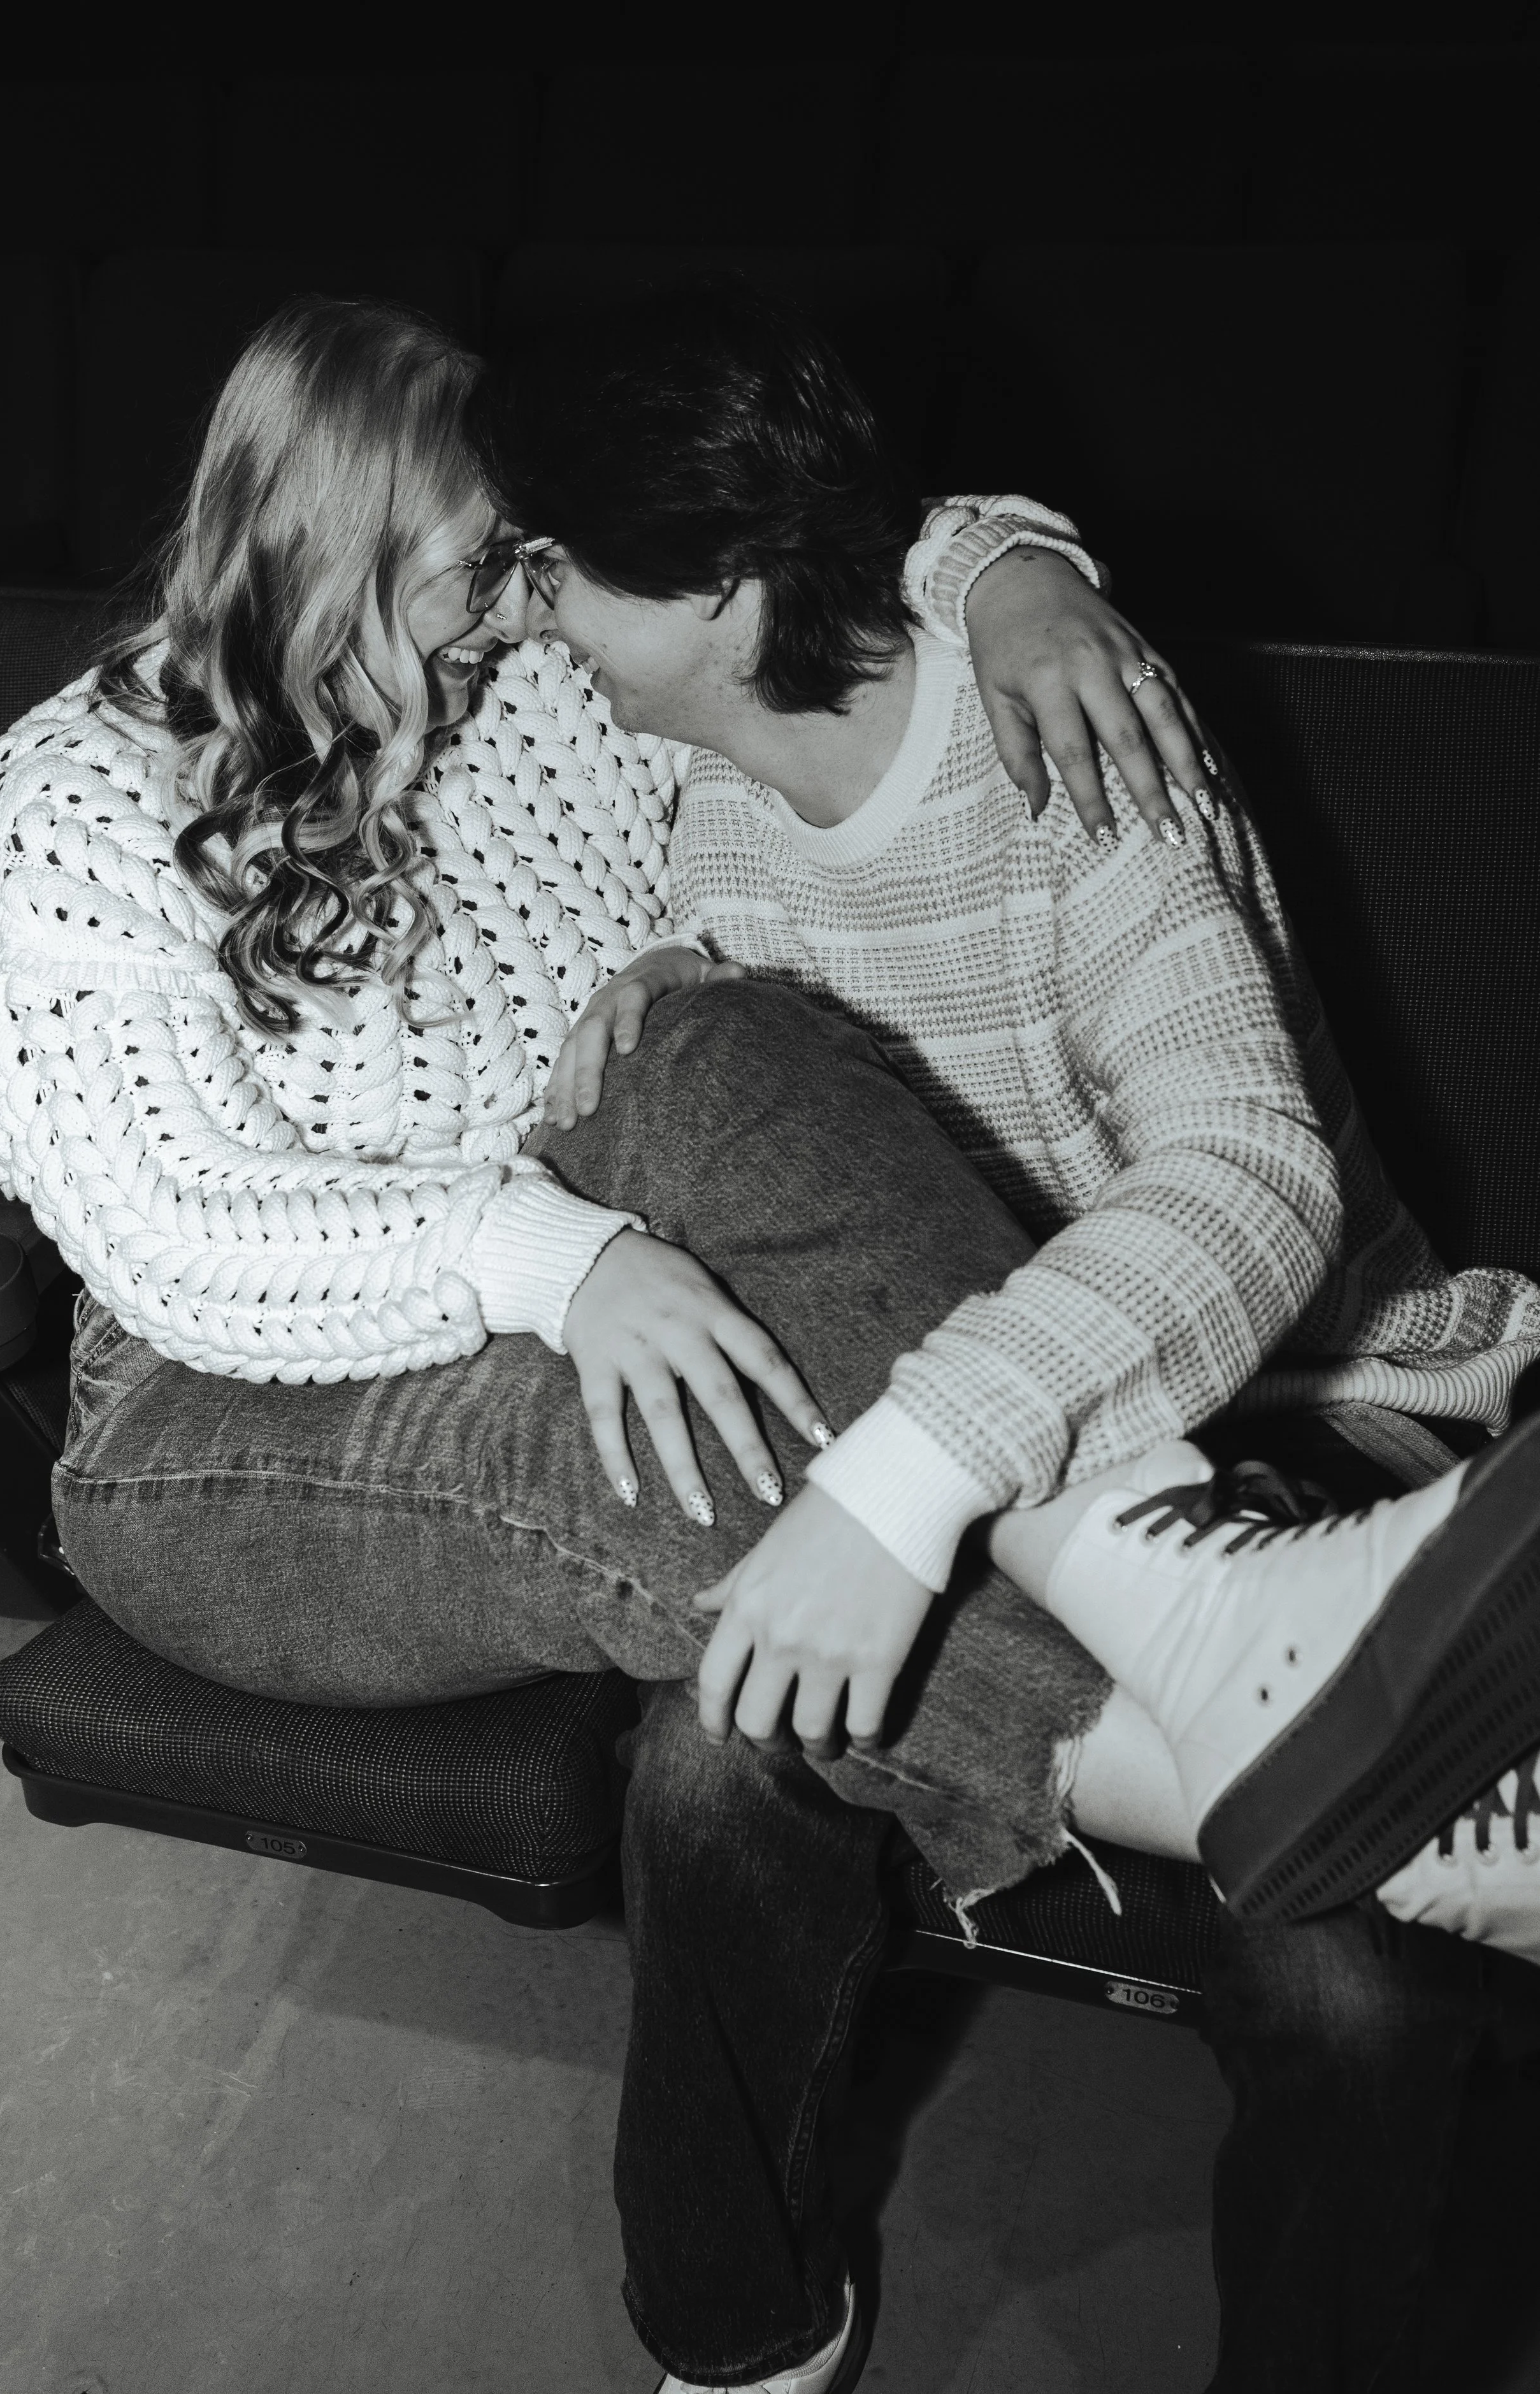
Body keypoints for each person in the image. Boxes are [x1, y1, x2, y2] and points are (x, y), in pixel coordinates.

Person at [464, 282, 1540, 2391]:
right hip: (960, 1422)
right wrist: (664, 996)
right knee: (710, 1763)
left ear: (724, 589)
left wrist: (912, 1473)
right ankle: (742, 2329)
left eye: (554, 566)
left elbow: (1248, 1183)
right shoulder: (703, 796)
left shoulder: (1064, 734)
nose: (524, 616)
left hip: (1296, 1418)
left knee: (1352, 1991)